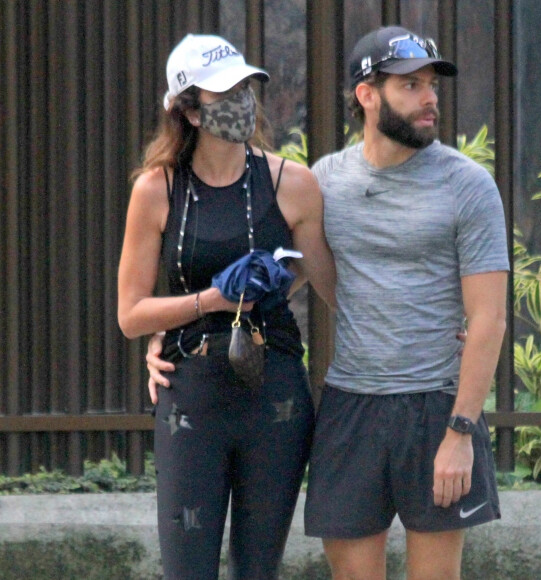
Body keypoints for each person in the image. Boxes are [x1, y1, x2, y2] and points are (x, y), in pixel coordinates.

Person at [146, 25, 508, 580]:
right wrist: (165, 335)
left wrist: (460, 430)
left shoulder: (469, 186)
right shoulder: (323, 183)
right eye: (411, 85)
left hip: (435, 404)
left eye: (431, 84)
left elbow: (489, 317)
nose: (430, 97)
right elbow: (277, 277)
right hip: (350, 405)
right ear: (368, 94)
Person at [117, 33, 335, 580]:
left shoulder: (293, 182)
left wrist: (268, 290)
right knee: (186, 567)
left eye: (245, 86)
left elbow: (329, 279)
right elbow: (131, 314)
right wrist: (211, 302)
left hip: (274, 388)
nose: (242, 100)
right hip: (190, 390)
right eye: (224, 92)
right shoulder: (156, 189)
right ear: (189, 110)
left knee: (258, 568)